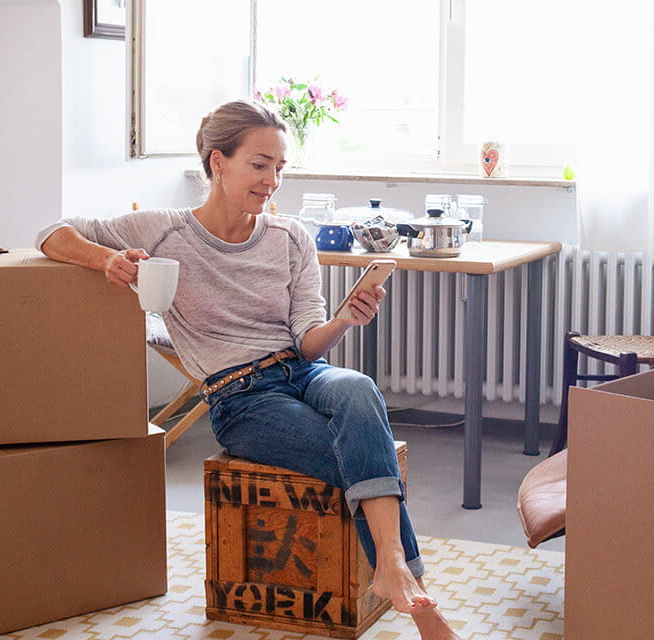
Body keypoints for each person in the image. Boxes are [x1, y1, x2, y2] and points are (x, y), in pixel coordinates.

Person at [36, 100, 463, 640]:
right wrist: (106, 260)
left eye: (280, 168)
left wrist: (342, 321)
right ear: (218, 162)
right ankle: (421, 605)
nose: (272, 181)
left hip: (303, 373)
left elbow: (308, 344)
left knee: (357, 387)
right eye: (260, 165)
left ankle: (393, 569)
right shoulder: (164, 231)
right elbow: (52, 232)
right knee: (352, 454)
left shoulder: (291, 238)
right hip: (240, 399)